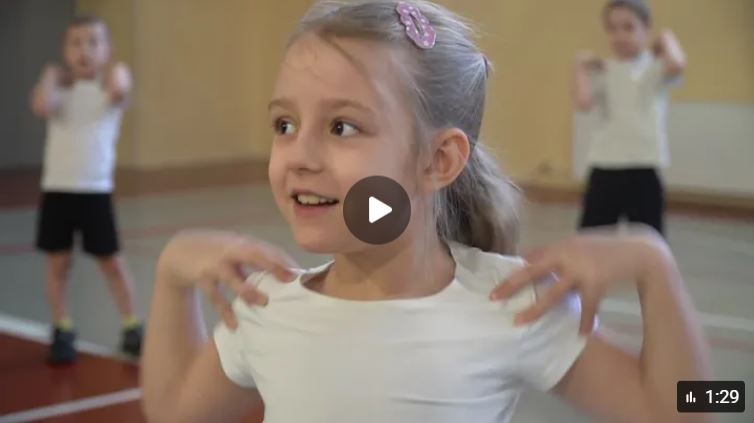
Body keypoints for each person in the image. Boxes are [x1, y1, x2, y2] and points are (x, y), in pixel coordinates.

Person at [141, 1, 710, 422]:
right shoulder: (266, 306)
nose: (299, 156)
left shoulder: (510, 304)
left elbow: (707, 404)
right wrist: (171, 277)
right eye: (284, 124)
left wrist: (654, 266)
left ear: (438, 161)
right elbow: (171, 411)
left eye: (342, 127)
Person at [30, 15, 142, 364]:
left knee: (112, 263)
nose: (85, 50)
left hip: (95, 192)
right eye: (76, 43)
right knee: (58, 264)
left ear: (107, 49)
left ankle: (131, 326)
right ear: (65, 51)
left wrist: (117, 68)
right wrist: (50, 75)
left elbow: (120, 89)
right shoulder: (58, 90)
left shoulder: (109, 87)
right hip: (58, 190)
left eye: (94, 42)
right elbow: (41, 105)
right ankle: (62, 327)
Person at [573, 0, 686, 236]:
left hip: (643, 166)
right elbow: (583, 102)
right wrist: (580, 68)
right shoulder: (604, 69)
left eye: (628, 27)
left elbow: (677, 63)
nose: (620, 36)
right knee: (592, 238)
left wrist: (665, 37)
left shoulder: (654, 68)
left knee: (649, 239)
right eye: (613, 29)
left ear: (646, 29)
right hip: (605, 165)